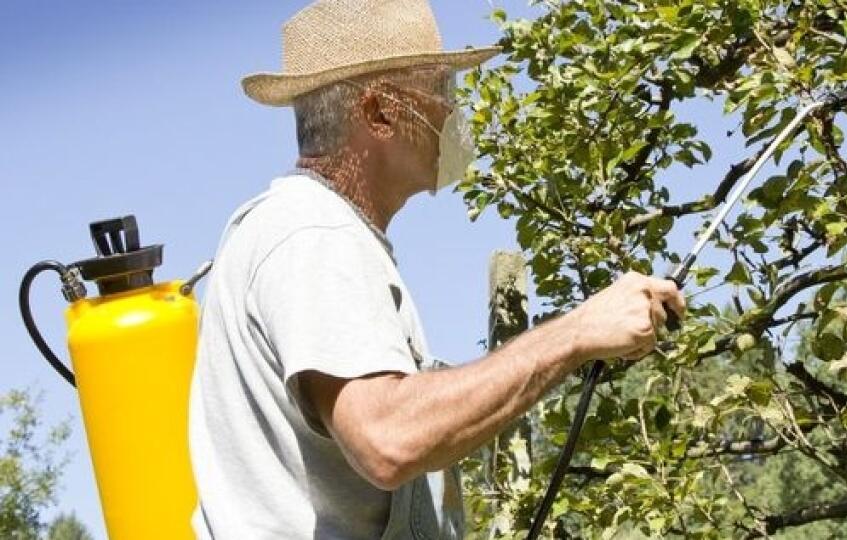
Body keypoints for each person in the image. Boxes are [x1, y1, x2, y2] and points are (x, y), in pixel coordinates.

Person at [187, 1, 686, 538]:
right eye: (442, 93)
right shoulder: (314, 234)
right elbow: (387, 438)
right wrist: (578, 333)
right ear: (380, 113)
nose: (453, 114)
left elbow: (393, 418)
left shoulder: (306, 231)